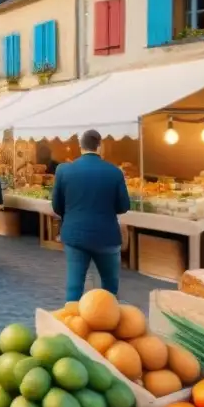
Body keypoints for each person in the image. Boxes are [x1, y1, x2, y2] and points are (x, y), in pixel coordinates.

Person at [52, 129, 130, 302]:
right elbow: (124, 206)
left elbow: (57, 207)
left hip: (75, 235)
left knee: (74, 285)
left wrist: (72, 214)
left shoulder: (64, 171)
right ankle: (108, 322)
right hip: (107, 236)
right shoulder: (115, 172)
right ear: (99, 146)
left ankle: (71, 323)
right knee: (110, 285)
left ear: (80, 147)